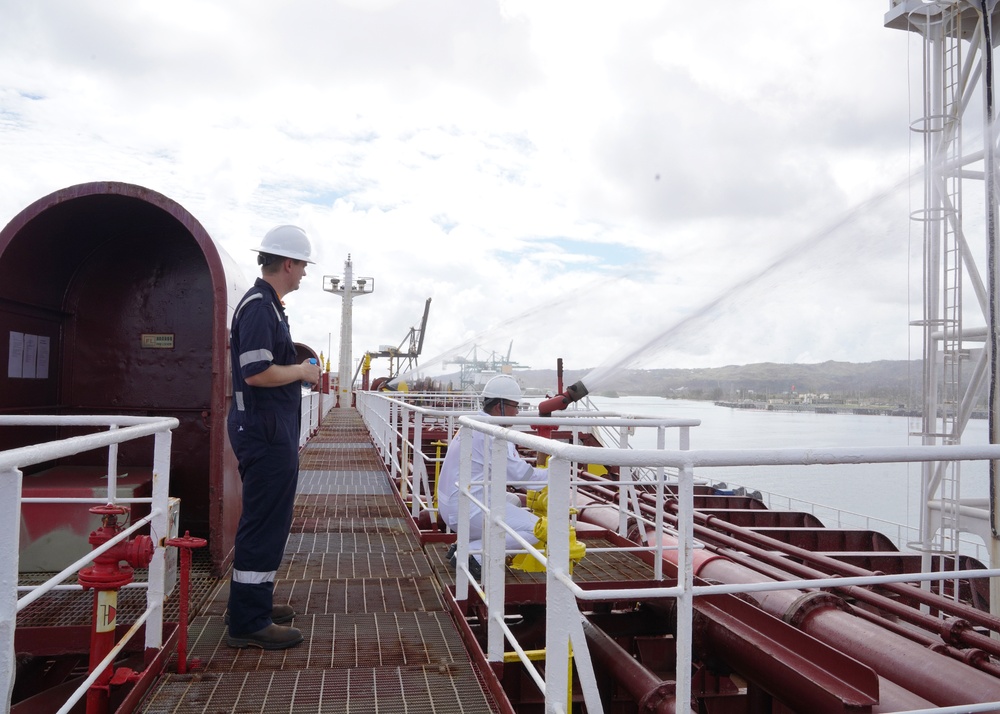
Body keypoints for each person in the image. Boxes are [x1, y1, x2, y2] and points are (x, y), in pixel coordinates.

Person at [225, 224, 322, 650]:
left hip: (268, 429)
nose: (303, 274)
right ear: (288, 263)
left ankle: (251, 603)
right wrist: (302, 371)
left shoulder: (268, 306)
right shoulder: (261, 307)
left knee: (267, 520)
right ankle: (248, 622)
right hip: (264, 432)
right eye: (301, 265)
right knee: (264, 522)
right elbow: (257, 371)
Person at [437, 375, 549, 578]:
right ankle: (473, 554)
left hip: (452, 506)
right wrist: (557, 474)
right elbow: (522, 478)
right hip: (466, 511)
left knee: (513, 500)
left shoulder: (473, 423)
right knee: (538, 530)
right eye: (516, 406)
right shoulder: (496, 434)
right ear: (500, 407)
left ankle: (461, 545)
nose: (518, 412)